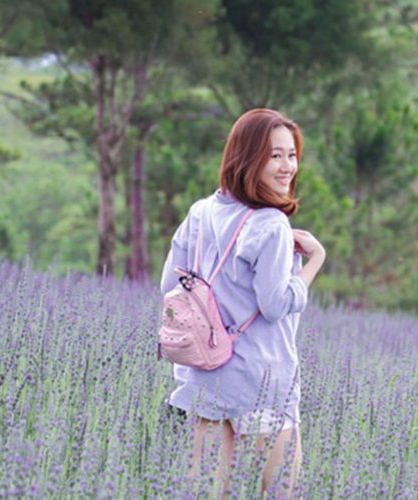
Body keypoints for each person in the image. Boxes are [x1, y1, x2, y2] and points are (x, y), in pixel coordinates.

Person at [159, 108, 326, 498]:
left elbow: (170, 283)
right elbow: (275, 304)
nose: (288, 167)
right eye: (275, 156)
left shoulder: (200, 212)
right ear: (248, 157)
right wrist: (315, 259)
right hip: (262, 380)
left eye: (291, 154)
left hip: (205, 377)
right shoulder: (270, 224)